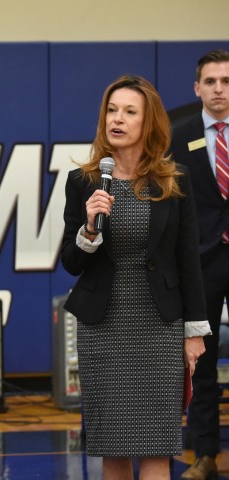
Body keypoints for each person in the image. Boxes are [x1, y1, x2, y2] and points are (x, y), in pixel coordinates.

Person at [61, 75, 209, 479]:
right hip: (103, 327)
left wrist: (194, 332)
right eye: (111, 110)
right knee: (114, 450)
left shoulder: (174, 181)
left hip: (159, 327)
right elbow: (71, 262)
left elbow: (187, 260)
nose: (117, 119)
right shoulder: (83, 182)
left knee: (157, 449)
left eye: (129, 111)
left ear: (150, 123)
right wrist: (90, 228)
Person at [170, 48, 229, 480]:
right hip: (202, 259)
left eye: (226, 82)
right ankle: (205, 455)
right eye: (211, 82)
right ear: (197, 88)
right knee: (201, 359)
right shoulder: (180, 135)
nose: (219, 89)